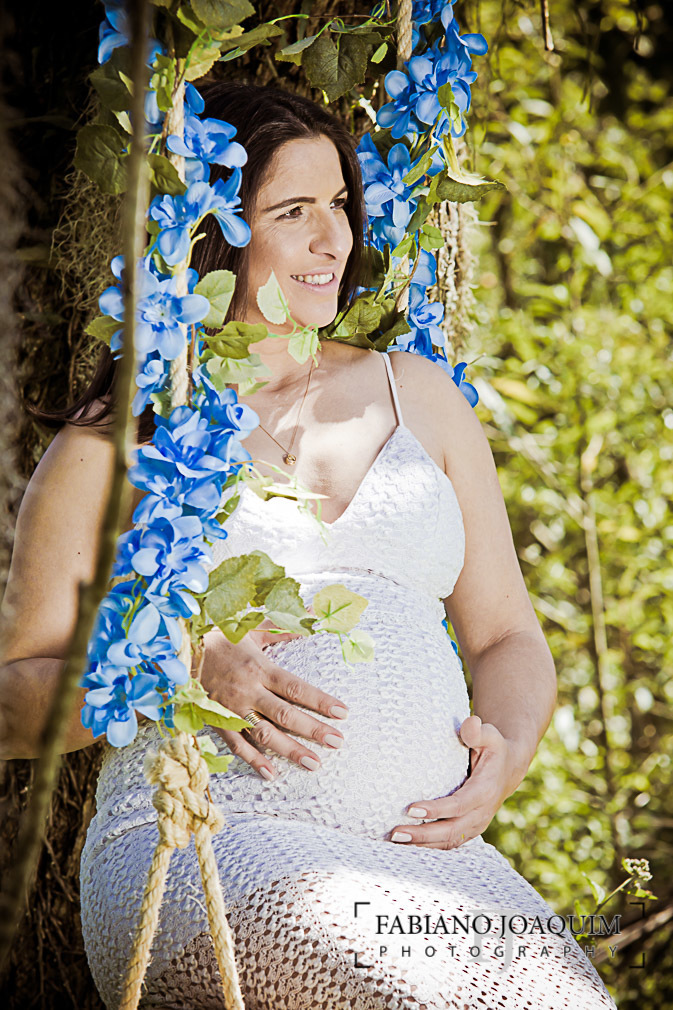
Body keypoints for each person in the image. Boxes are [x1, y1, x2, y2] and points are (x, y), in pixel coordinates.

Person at [0, 83, 618, 1009]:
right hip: (209, 844)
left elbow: (504, 637)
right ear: (210, 233)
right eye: (292, 212)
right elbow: (11, 702)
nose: (334, 239)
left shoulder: (420, 396)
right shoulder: (118, 441)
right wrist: (175, 671)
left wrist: (508, 752)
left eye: (337, 203)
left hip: (425, 858)